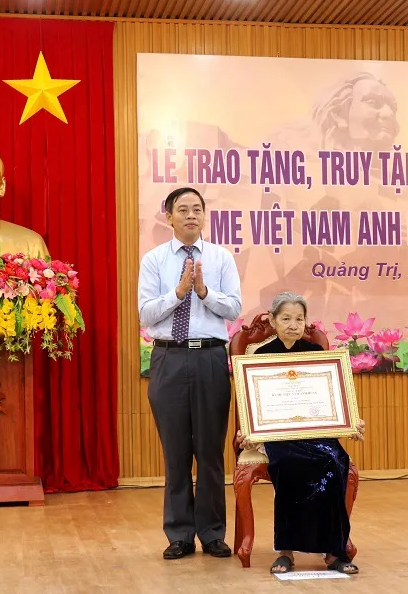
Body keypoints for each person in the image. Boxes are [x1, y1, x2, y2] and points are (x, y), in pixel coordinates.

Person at [138, 186, 242, 560]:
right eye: (183, 210)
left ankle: (212, 533)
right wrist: (179, 293)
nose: (191, 216)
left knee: (210, 451)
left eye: (197, 209)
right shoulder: (154, 260)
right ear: (169, 217)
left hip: (210, 358)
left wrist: (204, 291)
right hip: (169, 358)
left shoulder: (221, 257)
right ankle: (179, 534)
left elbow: (234, 308)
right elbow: (145, 313)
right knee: (176, 452)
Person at [234, 292, 366, 575]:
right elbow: (253, 404)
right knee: (287, 463)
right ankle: (285, 551)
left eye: (299, 319)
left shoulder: (316, 353)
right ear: (273, 321)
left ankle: (334, 551)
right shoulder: (260, 356)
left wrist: (350, 422)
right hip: (278, 435)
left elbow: (333, 399)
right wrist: (249, 430)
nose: (293, 325)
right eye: (286, 319)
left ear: (305, 322)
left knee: (334, 461)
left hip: (316, 433)